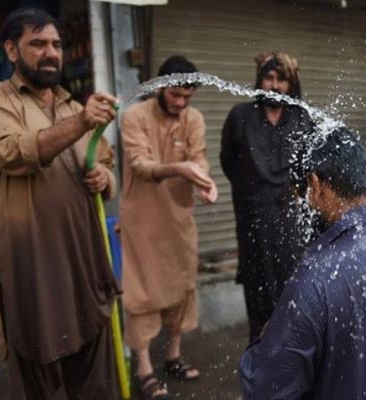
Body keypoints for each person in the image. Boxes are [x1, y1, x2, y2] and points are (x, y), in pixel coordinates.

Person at [0, 8, 120, 398]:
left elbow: (105, 164)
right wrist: (82, 124)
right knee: (39, 368)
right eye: (37, 44)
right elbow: (13, 153)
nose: (50, 52)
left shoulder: (74, 107)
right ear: (12, 50)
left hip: (82, 261)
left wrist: (105, 178)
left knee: (93, 373)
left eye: (56, 44)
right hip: (28, 262)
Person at [239, 127, 366, 399]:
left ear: (315, 185)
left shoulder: (318, 275)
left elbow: (263, 387)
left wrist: (268, 338)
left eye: (303, 195)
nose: (305, 207)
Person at [120, 55, 218, 399]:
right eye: (175, 95)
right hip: (142, 219)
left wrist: (206, 183)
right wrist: (182, 169)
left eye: (187, 98)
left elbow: (200, 157)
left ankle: (173, 354)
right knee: (142, 292)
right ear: (160, 87)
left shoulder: (194, 118)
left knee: (182, 284)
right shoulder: (134, 116)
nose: (180, 103)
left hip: (178, 218)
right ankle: (144, 368)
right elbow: (142, 165)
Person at [220, 51, 313, 342]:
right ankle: (260, 360)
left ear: (292, 84)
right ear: (259, 81)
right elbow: (229, 163)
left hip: (290, 220)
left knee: (293, 291)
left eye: (282, 80)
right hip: (253, 221)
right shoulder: (240, 116)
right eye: (269, 78)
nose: (274, 85)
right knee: (258, 293)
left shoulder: (302, 118)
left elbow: (309, 168)